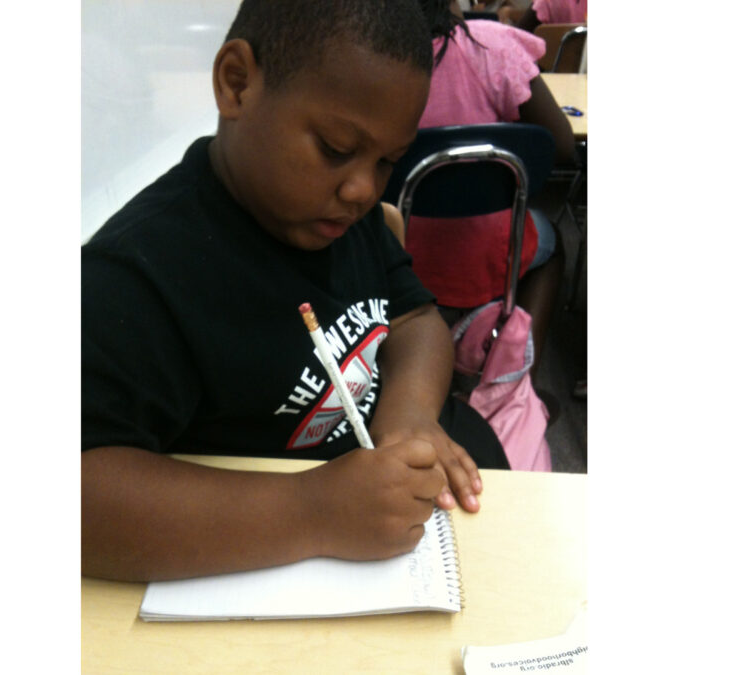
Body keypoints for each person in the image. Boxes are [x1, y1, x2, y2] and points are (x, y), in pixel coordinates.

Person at [81, 0, 508, 584]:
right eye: (335, 148)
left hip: (405, 527)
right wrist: (314, 512)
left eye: (387, 161)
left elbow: (416, 320)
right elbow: (85, 498)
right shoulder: (136, 277)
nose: (361, 189)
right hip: (267, 568)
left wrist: (408, 417)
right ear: (237, 84)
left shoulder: (343, 219)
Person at [404, 0, 576, 374]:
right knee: (553, 244)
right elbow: (561, 146)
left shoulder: (379, 56)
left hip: (400, 252)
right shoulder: (492, 48)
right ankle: (512, 378)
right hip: (493, 253)